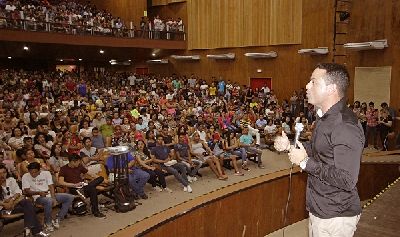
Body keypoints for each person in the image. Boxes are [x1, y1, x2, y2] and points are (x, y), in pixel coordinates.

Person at [277, 63, 364, 237]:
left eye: (313, 82)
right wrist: (290, 146)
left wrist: (304, 162)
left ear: (331, 89)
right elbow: (320, 151)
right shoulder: (323, 118)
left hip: (336, 216)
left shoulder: (345, 125)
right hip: (320, 208)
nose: (307, 86)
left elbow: (347, 179)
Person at [22, 162, 74, 232]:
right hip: (37, 197)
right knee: (48, 201)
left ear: (39, 170)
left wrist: (53, 198)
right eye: (31, 172)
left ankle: (58, 218)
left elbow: (51, 186)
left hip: (49, 194)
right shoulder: (26, 176)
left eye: (35, 172)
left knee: (69, 197)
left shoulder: (46, 173)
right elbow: (27, 191)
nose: (33, 174)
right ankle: (48, 222)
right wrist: (39, 193)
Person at [0, 164, 49, 237]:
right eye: (0, 173)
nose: (2, 175)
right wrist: (4, 204)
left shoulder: (11, 180)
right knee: (29, 208)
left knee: (26, 202)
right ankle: (35, 231)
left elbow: (18, 191)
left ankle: (28, 229)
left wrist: (11, 200)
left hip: (14, 204)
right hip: (4, 210)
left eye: (4, 172)